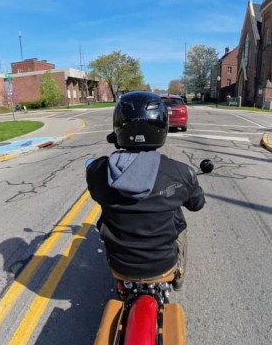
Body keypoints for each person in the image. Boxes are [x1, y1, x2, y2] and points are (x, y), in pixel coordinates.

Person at [85, 91, 205, 287]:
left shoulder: (97, 172)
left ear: (119, 127)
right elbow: (197, 204)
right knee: (181, 227)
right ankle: (179, 276)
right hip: (163, 266)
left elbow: (96, 194)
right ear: (162, 126)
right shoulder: (180, 172)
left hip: (119, 266)